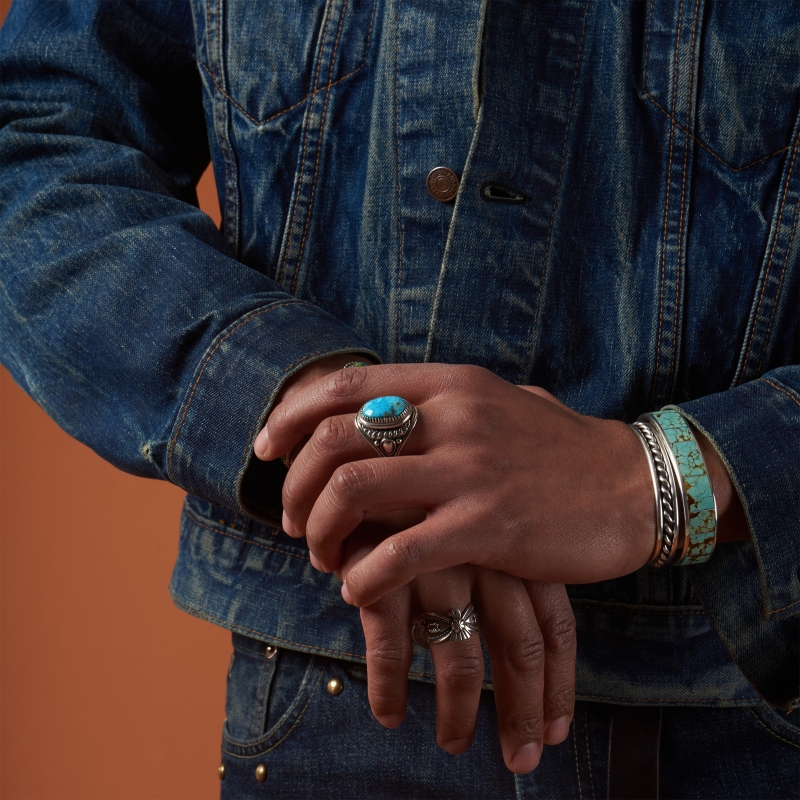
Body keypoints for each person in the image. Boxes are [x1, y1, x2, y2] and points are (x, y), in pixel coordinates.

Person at [1, 0, 797, 797]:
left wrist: (656, 481)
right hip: (332, 708)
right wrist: (330, 425)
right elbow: (34, 139)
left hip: (744, 711)